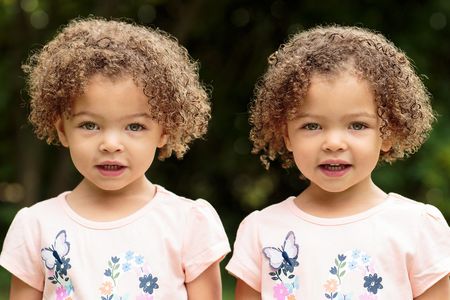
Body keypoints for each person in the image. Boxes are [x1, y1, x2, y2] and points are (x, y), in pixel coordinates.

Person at [0, 18, 230, 299]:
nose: (110, 144)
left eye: (134, 127)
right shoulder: (36, 227)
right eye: (89, 125)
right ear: (63, 131)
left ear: (164, 133)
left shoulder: (188, 224)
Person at [226, 25, 450, 299]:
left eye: (357, 125)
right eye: (311, 126)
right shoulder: (262, 230)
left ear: (388, 132)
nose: (333, 142)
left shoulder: (417, 227)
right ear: (287, 136)